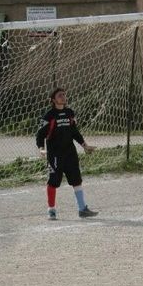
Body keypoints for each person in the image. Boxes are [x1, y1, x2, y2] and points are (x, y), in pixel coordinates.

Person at [35, 87, 98, 220]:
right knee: (53, 182)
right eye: (60, 95)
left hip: (70, 153)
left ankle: (82, 209)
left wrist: (84, 145)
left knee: (77, 180)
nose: (63, 97)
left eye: (64, 94)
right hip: (55, 154)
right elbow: (40, 134)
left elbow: (74, 132)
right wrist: (41, 148)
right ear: (53, 100)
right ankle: (51, 210)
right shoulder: (49, 115)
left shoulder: (70, 113)